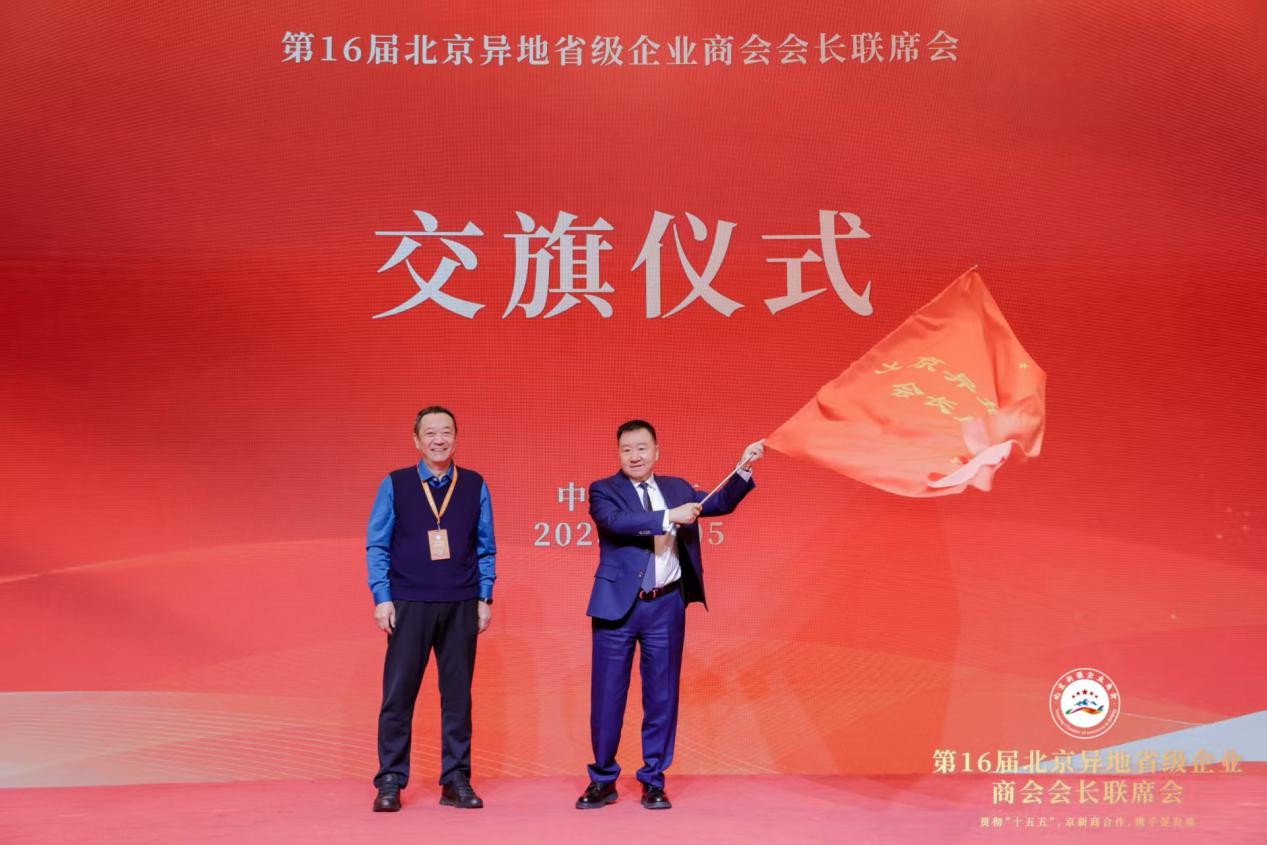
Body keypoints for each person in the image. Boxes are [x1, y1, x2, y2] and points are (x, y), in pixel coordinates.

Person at [576, 419, 762, 810]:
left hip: (665, 607)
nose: (634, 456)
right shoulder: (603, 490)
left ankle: (653, 780)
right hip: (616, 609)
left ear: (657, 451)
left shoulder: (676, 488)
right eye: (626, 449)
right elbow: (615, 522)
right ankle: (603, 779)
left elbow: (718, 502)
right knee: (607, 697)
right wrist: (668, 517)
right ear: (618, 454)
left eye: (642, 448)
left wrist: (743, 467)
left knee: (661, 696)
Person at [365, 406, 495, 812]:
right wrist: (382, 597)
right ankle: (390, 780)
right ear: (416, 440)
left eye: (446, 432)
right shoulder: (396, 483)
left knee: (457, 697)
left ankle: (456, 779)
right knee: (398, 696)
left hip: (461, 602)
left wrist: (485, 597)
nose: (439, 439)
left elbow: (486, 546)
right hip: (409, 602)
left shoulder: (474, 484)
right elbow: (377, 544)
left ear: (456, 437)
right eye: (430, 433)